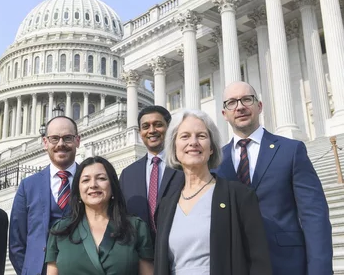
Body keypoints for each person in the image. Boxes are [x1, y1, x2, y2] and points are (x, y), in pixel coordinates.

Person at [215, 81, 333, 275]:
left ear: (259, 106)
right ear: (224, 114)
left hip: (286, 265)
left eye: (247, 99)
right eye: (232, 103)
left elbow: (314, 216)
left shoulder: (291, 150)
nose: (240, 107)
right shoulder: (216, 162)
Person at [155, 109, 271, 275]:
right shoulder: (166, 205)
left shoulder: (239, 196)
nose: (193, 142)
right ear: (174, 147)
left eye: (201, 136)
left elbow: (259, 262)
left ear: (211, 148)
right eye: (185, 136)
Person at [46, 156, 154, 275]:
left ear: (112, 186)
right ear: (78, 189)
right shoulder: (60, 230)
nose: (93, 185)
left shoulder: (135, 227)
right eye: (86, 180)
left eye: (101, 178)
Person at [9, 116, 81, 275]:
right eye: (54, 138)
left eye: (67, 138)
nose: (61, 144)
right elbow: (16, 242)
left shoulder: (89, 181)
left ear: (77, 141)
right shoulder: (28, 186)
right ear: (45, 142)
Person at [119, 105, 179, 238]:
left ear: (169, 128)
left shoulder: (183, 166)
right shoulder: (127, 175)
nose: (152, 130)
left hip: (179, 251)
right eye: (146, 127)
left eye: (158, 125)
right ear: (140, 132)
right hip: (142, 253)